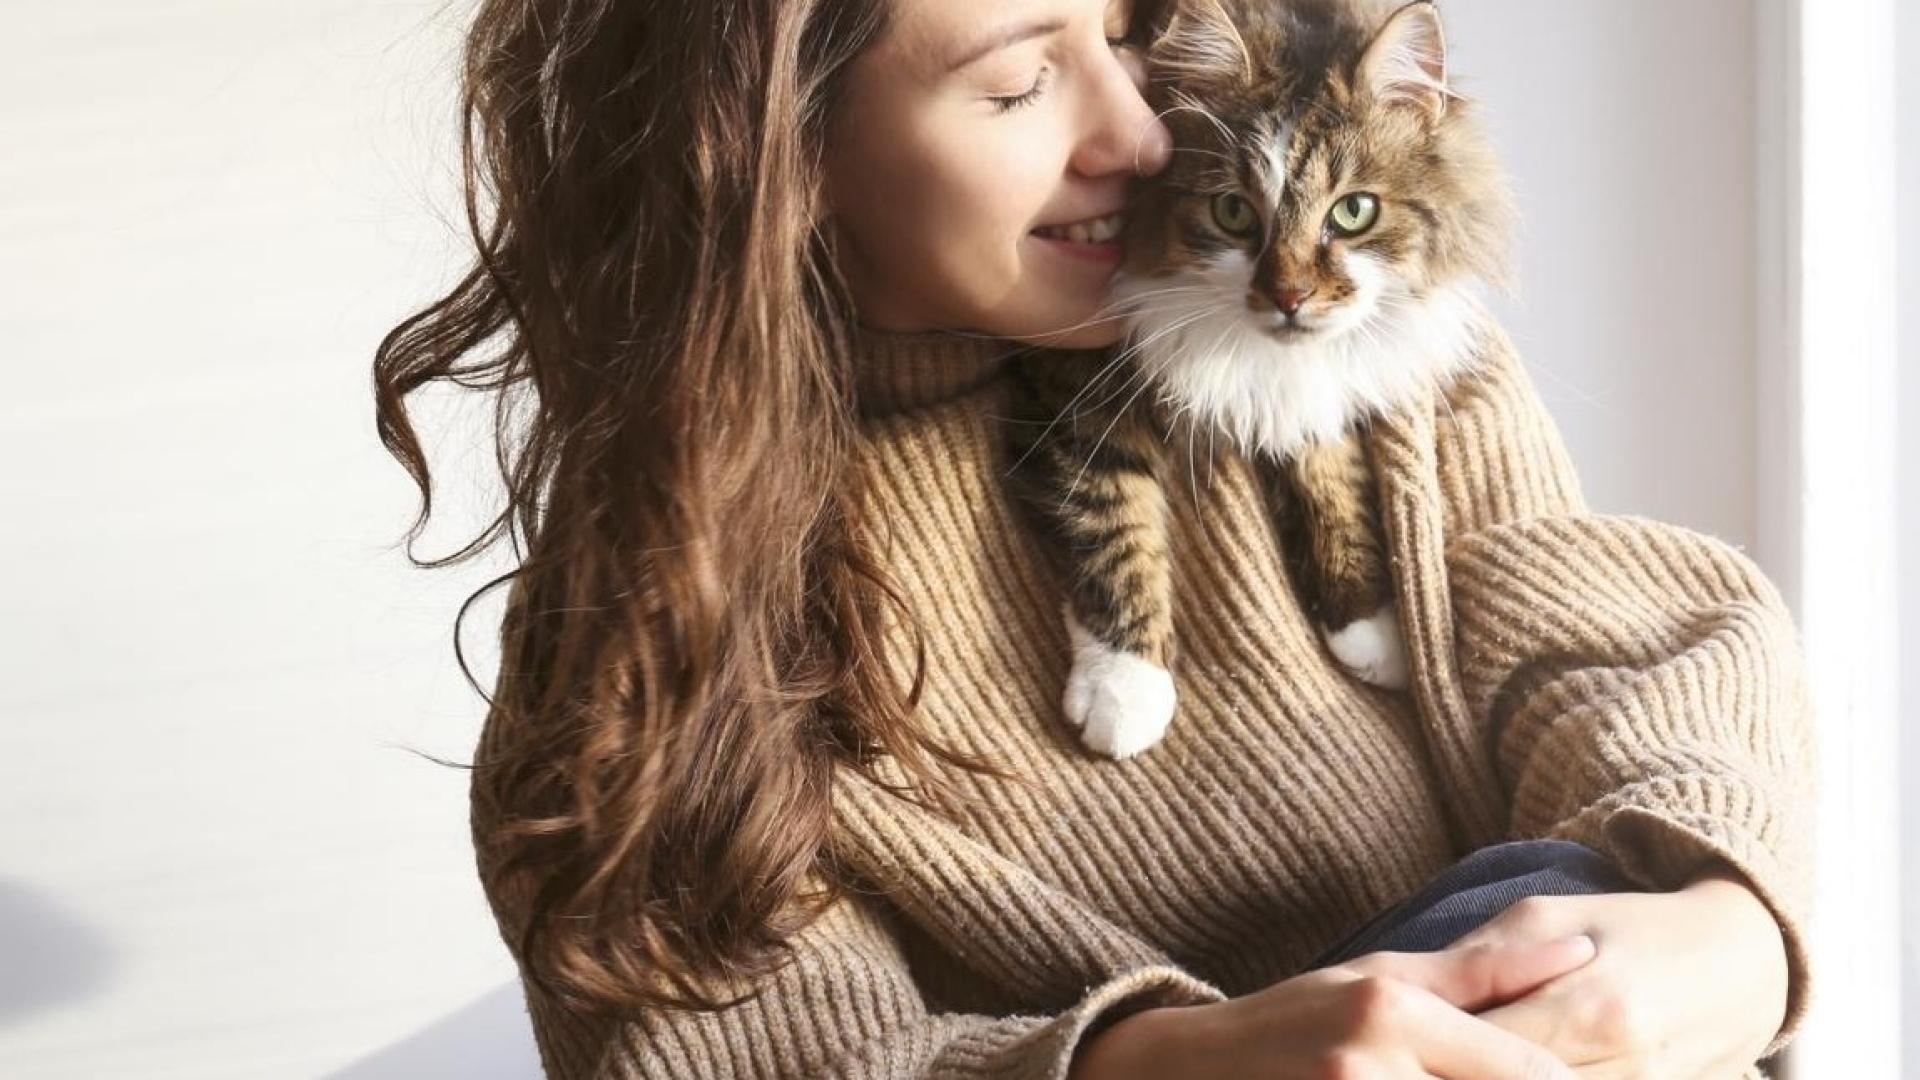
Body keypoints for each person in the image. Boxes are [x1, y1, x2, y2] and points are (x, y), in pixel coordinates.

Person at [370, 0, 1819, 1076]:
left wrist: (1729, 922)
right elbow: (741, 1048)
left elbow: (1618, 655)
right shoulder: (653, 626)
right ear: (776, 159)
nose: (1139, 132)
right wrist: (1150, 1064)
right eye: (1019, 84)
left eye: (1128, 33)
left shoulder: (1374, 377)